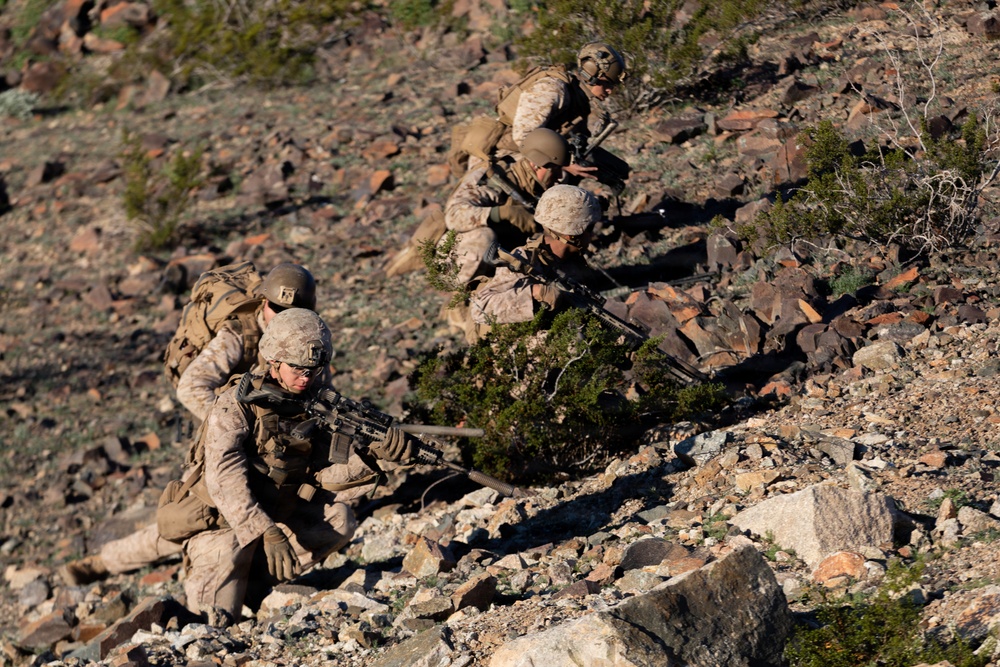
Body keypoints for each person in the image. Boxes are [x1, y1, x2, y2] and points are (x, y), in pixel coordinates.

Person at [63, 309, 417, 625]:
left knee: (339, 519)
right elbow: (224, 478)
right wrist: (265, 531)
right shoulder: (236, 404)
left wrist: (371, 456)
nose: (306, 378)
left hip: (276, 506)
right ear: (273, 361)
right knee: (208, 605)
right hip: (219, 518)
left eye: (314, 370)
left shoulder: (313, 401)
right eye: (297, 369)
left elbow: (326, 476)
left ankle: (258, 584)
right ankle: (102, 564)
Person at [456, 42, 628, 181]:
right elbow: (524, 137)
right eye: (608, 83)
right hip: (501, 157)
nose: (610, 90)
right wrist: (565, 165)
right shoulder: (551, 89)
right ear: (591, 75)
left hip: (528, 156)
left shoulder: (578, 97)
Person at [175, 263, 317, 423]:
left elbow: (320, 390)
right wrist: (236, 424)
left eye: (291, 312)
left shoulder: (310, 338)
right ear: (264, 301)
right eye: (276, 308)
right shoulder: (239, 334)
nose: (281, 318)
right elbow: (190, 388)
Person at [444, 127, 570, 287]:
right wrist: (502, 213)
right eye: (555, 170)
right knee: (483, 238)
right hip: (457, 251)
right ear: (535, 164)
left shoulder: (542, 179)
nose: (559, 176)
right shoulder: (493, 177)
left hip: (505, 248)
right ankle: (460, 296)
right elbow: (453, 215)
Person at [471, 184, 602, 328]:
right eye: (590, 228)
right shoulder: (522, 260)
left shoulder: (572, 260)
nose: (593, 234)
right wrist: (535, 292)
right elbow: (479, 308)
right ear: (571, 234)